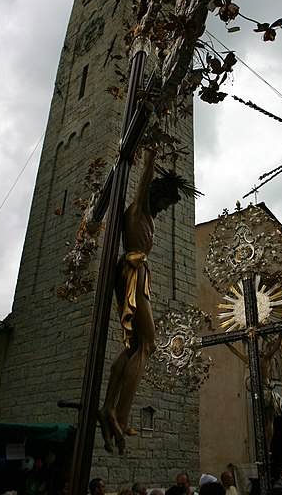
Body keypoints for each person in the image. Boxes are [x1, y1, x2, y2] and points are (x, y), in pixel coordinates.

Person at [98, 149, 196, 453]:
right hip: (132, 273)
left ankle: (108, 407)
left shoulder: (147, 218)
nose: (164, 210)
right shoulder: (138, 209)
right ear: (153, 196)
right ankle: (120, 412)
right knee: (148, 344)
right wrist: (152, 150)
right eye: (164, 203)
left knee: (134, 346)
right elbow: (143, 179)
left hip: (137, 275)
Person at [260, 333, 282, 451]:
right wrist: (280, 334)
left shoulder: (253, 361)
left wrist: (227, 344)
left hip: (259, 392)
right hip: (266, 393)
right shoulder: (265, 360)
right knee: (269, 421)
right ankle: (268, 446)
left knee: (265, 420)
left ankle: (266, 446)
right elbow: (276, 346)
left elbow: (236, 352)